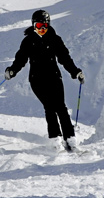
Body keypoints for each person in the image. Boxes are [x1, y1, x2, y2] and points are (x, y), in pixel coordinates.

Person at [5, 9, 85, 152]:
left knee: (61, 107)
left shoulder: (55, 39)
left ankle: (70, 139)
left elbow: (64, 58)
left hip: (54, 77)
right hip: (37, 80)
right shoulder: (28, 41)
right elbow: (21, 59)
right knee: (49, 107)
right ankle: (55, 139)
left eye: (45, 26)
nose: (41, 29)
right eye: (38, 26)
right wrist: (12, 70)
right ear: (33, 25)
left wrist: (76, 72)